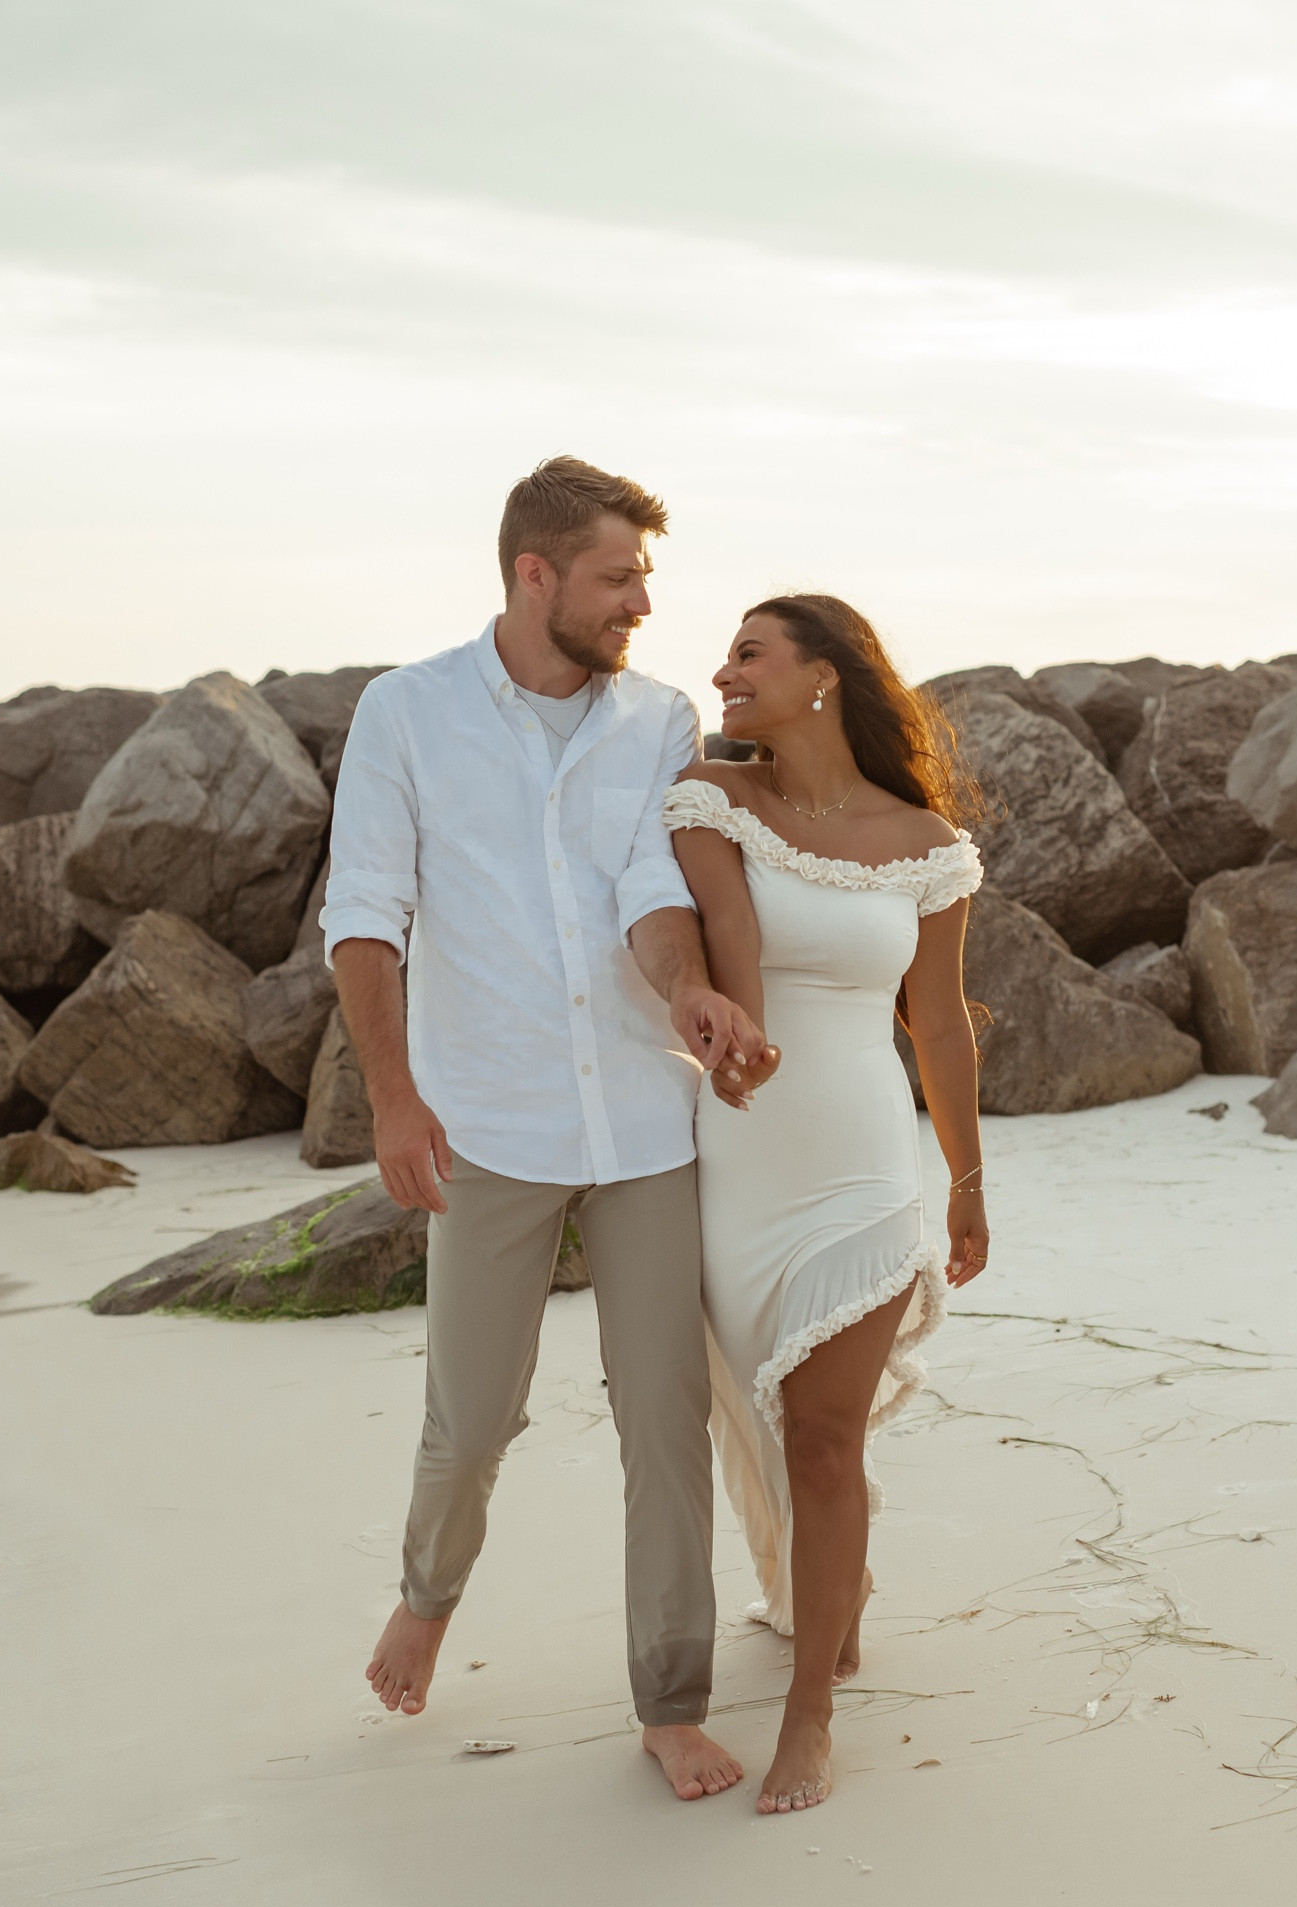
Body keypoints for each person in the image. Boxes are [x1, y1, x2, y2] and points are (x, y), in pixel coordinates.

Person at [324, 456, 767, 1802]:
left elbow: (651, 885)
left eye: (643, 575)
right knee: (472, 1418)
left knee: (665, 1416)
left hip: (642, 1124)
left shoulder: (658, 719)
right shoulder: (406, 715)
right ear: (535, 576)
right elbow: (364, 914)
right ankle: (428, 1592)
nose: (643, 599)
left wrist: (688, 990)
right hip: (492, 1123)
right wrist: (394, 1099)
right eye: (617, 575)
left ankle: (669, 1699)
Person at [663, 594, 988, 1815]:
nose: (723, 669)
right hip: (741, 1157)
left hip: (860, 1157)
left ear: (822, 676)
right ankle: (820, 1600)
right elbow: (729, 926)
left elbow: (940, 1022)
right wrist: (740, 1044)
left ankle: (810, 1712)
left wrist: (965, 1180)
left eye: (749, 652)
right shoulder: (710, 798)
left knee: (822, 1432)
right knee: (751, 1408)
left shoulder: (924, 840)